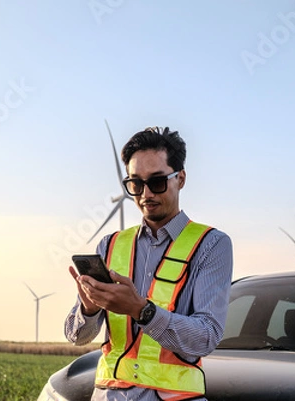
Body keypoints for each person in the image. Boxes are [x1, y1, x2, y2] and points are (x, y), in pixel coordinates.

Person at [64, 126, 233, 400]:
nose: (145, 194)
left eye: (157, 182)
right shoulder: (109, 245)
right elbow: (77, 337)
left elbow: (206, 337)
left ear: (181, 178)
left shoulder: (211, 245)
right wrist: (90, 307)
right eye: (135, 184)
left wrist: (141, 311)